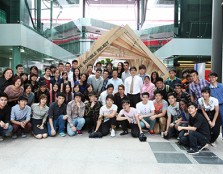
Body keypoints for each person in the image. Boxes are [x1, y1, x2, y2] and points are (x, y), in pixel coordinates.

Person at [208, 72, 223, 140]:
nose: (211, 79)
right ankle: (214, 137)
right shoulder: (208, 88)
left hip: (221, 105)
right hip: (213, 107)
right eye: (210, 77)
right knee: (215, 121)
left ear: (216, 78)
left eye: (213, 77)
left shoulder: (221, 86)